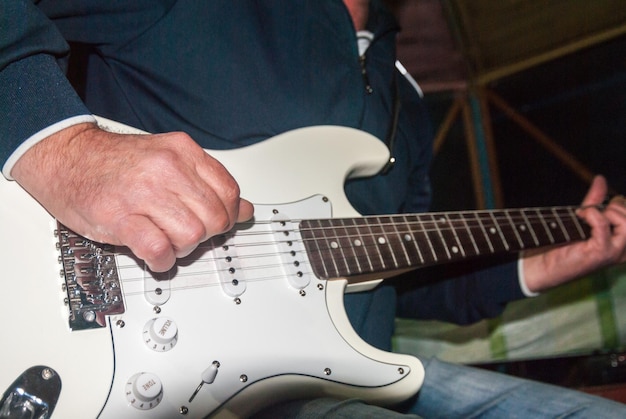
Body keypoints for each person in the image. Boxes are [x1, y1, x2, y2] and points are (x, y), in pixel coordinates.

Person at [2, 0, 625, 417]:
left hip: (347, 367)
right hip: (165, 357)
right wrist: (59, 145)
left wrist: (533, 272)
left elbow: (389, 285)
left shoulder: (403, 96)